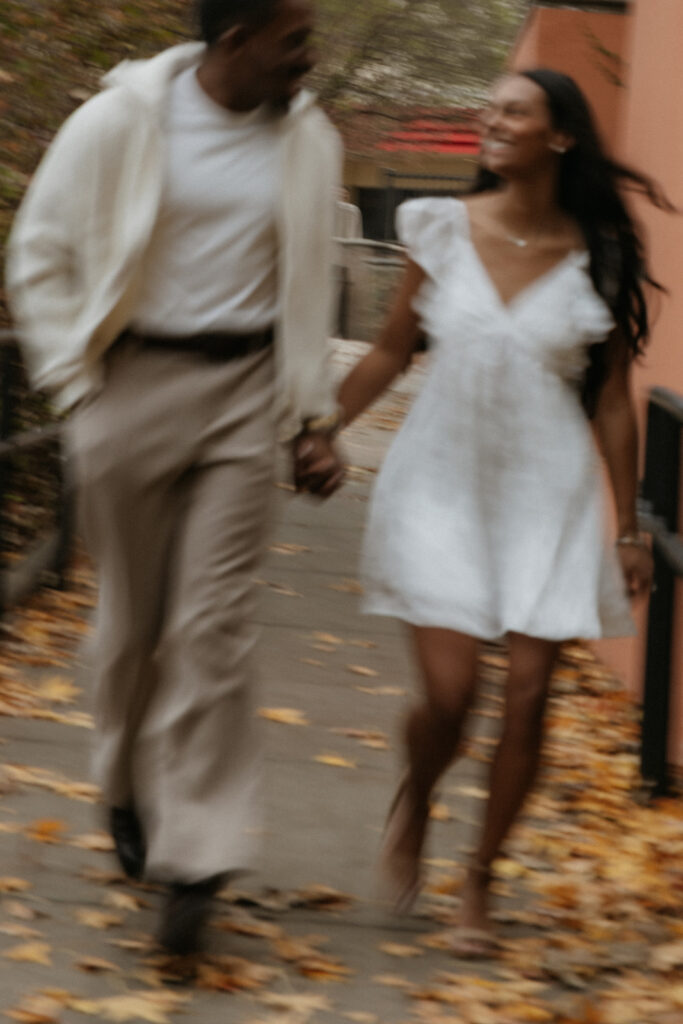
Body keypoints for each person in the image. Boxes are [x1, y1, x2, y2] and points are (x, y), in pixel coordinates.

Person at [7, 0, 344, 954]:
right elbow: (39, 253)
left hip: (244, 392)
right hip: (131, 384)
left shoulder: (308, 139)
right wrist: (73, 384)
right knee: (132, 630)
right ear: (235, 39)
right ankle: (125, 785)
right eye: (293, 39)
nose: (307, 56)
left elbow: (309, 286)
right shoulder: (119, 120)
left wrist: (311, 417)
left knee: (213, 626)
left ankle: (195, 854)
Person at [320, 69, 669, 956]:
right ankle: (416, 800)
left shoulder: (598, 251)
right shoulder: (439, 228)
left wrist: (627, 528)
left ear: (560, 136)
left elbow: (611, 401)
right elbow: (391, 350)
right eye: (491, 107)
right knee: (448, 698)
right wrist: (321, 428)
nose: (493, 119)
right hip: (437, 485)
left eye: (515, 110)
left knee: (527, 696)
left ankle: (477, 880)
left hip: (546, 495)